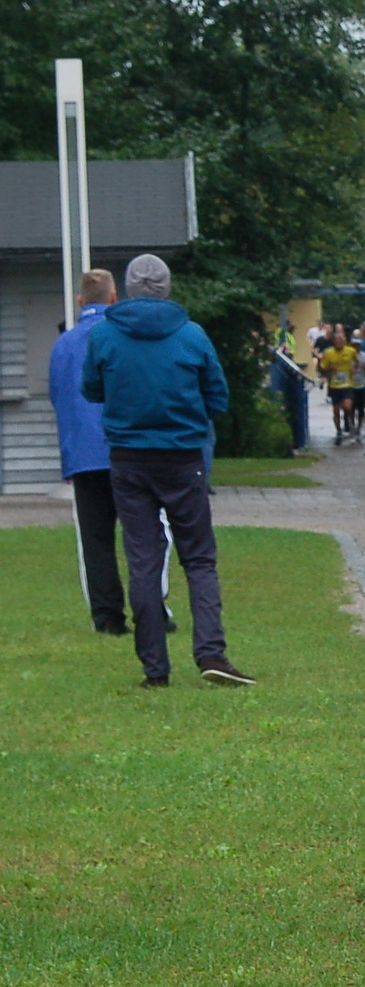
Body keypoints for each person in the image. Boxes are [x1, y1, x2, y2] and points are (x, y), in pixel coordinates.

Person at [81, 254, 253, 687]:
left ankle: (155, 668)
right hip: (182, 458)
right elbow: (218, 397)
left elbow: (91, 387)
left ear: (129, 288)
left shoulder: (104, 335)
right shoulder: (191, 335)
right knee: (197, 557)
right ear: (167, 287)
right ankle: (211, 652)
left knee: (143, 559)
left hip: (128, 458)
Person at [49, 268, 173, 636]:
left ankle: (107, 617)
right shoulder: (123, 336)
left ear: (80, 301)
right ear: (115, 298)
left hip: (84, 454)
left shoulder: (64, 344)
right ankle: (153, 608)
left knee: (95, 539)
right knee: (147, 533)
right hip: (128, 447)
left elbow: (59, 397)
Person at [317, 323, 360, 441]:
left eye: (341, 341)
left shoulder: (351, 351)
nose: (339, 343)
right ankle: (339, 430)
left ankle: (351, 424)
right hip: (334, 385)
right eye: (336, 341)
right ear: (333, 342)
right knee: (336, 410)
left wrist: (354, 369)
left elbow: (357, 362)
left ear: (344, 341)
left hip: (347, 384)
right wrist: (329, 369)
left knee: (348, 406)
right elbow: (321, 368)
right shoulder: (328, 353)